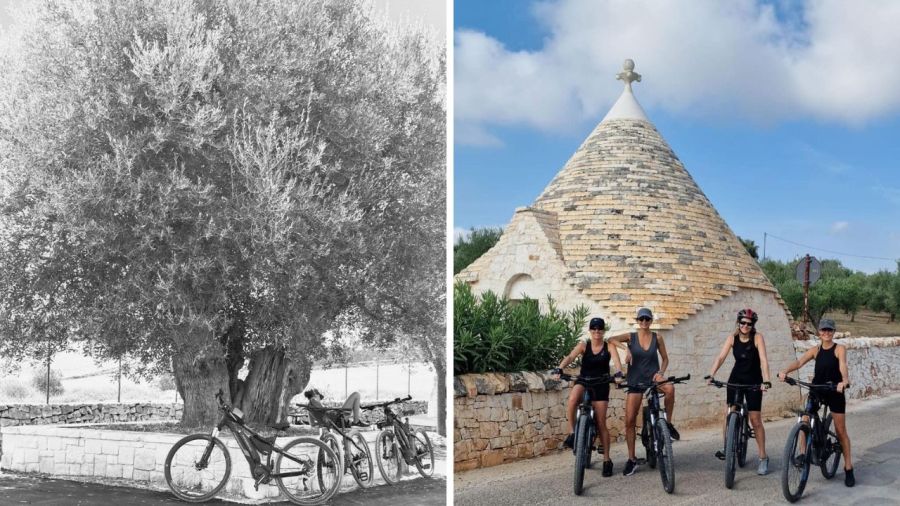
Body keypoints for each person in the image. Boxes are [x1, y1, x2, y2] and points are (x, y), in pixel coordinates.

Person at [778, 319, 855, 487]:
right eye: (823, 330)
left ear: (833, 332)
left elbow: (843, 365)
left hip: (835, 390)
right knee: (804, 418)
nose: (826, 333)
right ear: (819, 332)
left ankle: (848, 467)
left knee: (841, 431)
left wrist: (844, 381)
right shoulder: (816, 350)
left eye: (829, 330)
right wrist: (785, 371)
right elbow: (799, 362)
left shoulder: (839, 349)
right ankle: (803, 453)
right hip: (817, 390)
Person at [607, 307, 679, 477]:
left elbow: (665, 358)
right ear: (637, 321)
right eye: (641, 319)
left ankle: (667, 424)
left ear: (651, 321)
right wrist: (626, 349)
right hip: (635, 381)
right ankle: (631, 459)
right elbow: (610, 339)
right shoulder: (631, 337)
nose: (644, 322)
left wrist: (661, 372)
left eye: (647, 319)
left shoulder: (657, 337)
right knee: (630, 421)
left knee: (670, 388)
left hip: (653, 378)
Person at [552, 317, 624, 477]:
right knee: (572, 400)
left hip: (601, 383)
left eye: (599, 329)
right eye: (594, 329)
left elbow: (617, 363)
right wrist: (559, 368)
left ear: (603, 331)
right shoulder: (584, 345)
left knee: (601, 423)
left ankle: (606, 459)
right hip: (584, 380)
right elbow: (570, 357)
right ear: (590, 331)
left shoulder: (609, 346)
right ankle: (572, 434)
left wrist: (618, 373)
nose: (597, 331)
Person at [707, 308, 773, 475]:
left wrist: (766, 380)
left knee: (755, 419)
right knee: (729, 412)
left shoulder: (757, 338)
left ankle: (763, 457)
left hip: (754, 381)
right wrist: (711, 373)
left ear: (753, 325)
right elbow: (720, 357)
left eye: (749, 324)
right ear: (738, 322)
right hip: (736, 379)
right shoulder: (732, 338)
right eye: (742, 322)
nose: (745, 326)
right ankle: (727, 447)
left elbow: (764, 360)